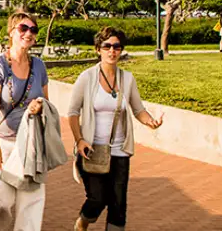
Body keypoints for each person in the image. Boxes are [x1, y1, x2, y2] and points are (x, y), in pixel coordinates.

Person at [69, 27, 164, 231]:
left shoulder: (127, 79)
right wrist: (79, 140)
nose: (112, 51)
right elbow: (72, 112)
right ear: (98, 49)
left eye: (117, 47)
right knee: (98, 198)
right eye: (107, 46)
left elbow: (138, 109)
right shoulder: (87, 77)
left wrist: (151, 122)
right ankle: (83, 221)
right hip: (91, 150)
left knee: (118, 204)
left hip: (119, 150)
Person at [0, 12, 49, 231]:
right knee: (2, 198)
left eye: (33, 30)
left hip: (30, 143)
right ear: (11, 32)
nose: (29, 33)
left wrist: (39, 106)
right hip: (5, 142)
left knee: (31, 200)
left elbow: (47, 102)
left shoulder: (39, 66)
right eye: (23, 28)